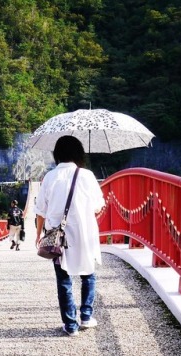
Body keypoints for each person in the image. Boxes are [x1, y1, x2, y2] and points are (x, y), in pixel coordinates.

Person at [34, 136, 105, 336]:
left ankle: (70, 325)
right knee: (88, 274)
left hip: (58, 237)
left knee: (63, 278)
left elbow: (40, 211)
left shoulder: (49, 177)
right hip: (84, 234)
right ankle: (86, 317)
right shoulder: (87, 176)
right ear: (78, 153)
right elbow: (98, 206)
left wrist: (38, 235)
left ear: (57, 154)